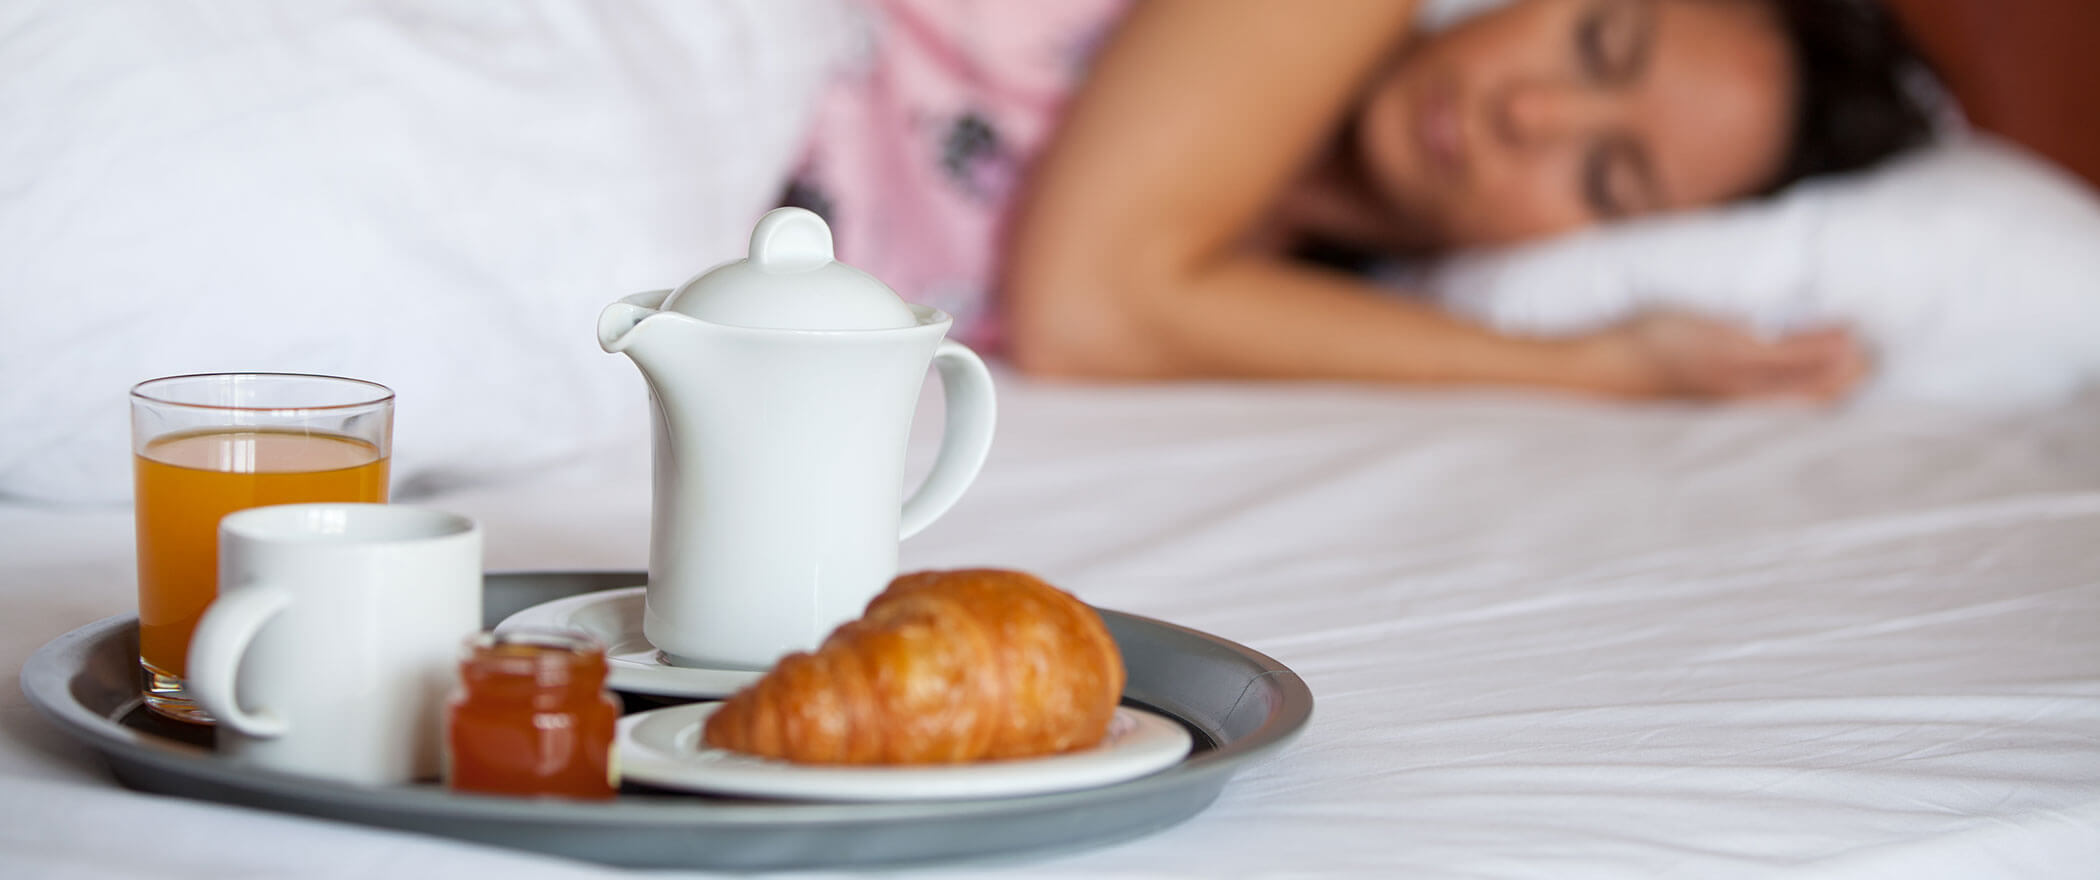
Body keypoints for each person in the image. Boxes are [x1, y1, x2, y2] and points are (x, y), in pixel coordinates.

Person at [786, 0, 1937, 400]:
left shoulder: (1289, 297)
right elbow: (1089, 312)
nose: (1531, 112)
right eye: (1596, 38)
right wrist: (1604, 369)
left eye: (1606, 176)